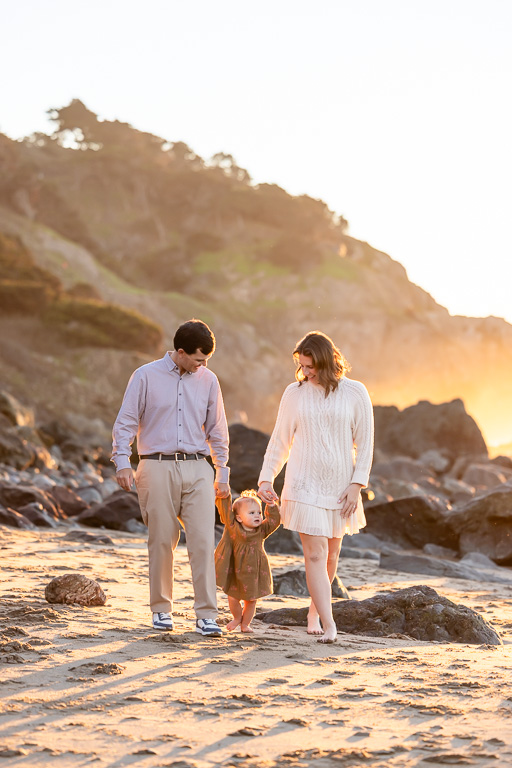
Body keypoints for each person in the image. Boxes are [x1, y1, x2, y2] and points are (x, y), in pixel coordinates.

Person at [111, 318, 230, 636]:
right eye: (198, 359)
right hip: (155, 466)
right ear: (181, 351)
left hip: (198, 468)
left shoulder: (208, 380)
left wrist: (223, 472)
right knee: (162, 541)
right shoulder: (145, 376)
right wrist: (122, 460)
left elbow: (217, 430)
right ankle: (161, 610)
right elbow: (126, 421)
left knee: (204, 542)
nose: (202, 365)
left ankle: (207, 614)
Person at [258, 331, 374, 644]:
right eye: (302, 366)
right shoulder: (294, 394)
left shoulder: (355, 392)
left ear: (326, 361)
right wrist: (266, 478)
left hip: (341, 488)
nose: (306, 372)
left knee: (331, 555)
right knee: (315, 554)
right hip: (303, 484)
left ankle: (314, 611)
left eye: (310, 366)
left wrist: (356, 485)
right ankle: (330, 623)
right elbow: (280, 440)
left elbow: (365, 444)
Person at [215, 490, 280, 633]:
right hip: (234, 568)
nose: (257, 515)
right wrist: (224, 496)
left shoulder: (261, 530)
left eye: (259, 512)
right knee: (232, 596)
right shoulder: (232, 527)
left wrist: (271, 505)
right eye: (251, 513)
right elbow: (225, 510)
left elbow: (274, 521)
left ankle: (245, 624)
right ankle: (237, 618)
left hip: (254, 570)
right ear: (238, 518)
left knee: (251, 599)